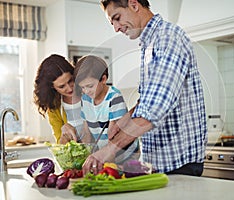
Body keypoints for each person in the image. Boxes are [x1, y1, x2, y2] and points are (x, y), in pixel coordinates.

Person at [82, 0, 207, 176]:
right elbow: (148, 99)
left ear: (134, 4)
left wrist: (108, 150)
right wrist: (126, 119)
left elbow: (154, 108)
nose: (116, 28)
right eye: (112, 23)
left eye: (117, 18)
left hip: (179, 164)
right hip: (160, 164)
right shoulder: (149, 45)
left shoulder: (168, 38)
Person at [73, 55, 140, 174]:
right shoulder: (85, 99)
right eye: (82, 87)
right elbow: (86, 132)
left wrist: (102, 160)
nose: (86, 91)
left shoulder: (114, 97)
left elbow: (114, 136)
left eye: (90, 86)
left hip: (124, 156)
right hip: (106, 154)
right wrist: (85, 156)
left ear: (103, 79)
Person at [33, 54, 83, 144]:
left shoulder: (88, 91)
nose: (69, 88)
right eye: (62, 86)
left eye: (70, 80)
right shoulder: (54, 108)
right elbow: (61, 146)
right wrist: (64, 134)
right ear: (52, 87)